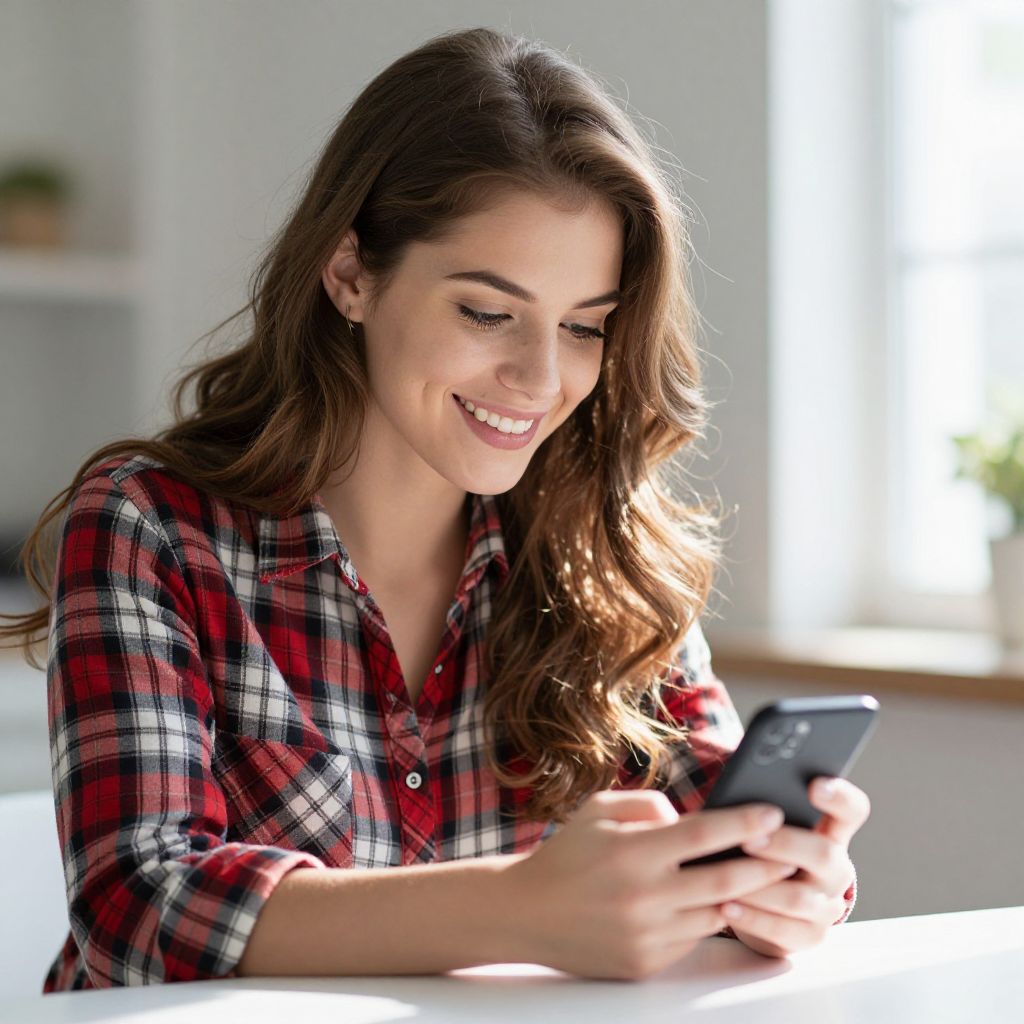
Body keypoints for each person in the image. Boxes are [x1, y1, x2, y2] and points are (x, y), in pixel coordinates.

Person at [0, 26, 868, 989]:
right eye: (487, 313)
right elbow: (137, 907)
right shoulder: (151, 528)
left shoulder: (601, 549)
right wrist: (520, 910)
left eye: (584, 326)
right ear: (351, 275)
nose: (541, 377)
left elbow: (718, 825)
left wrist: (792, 880)